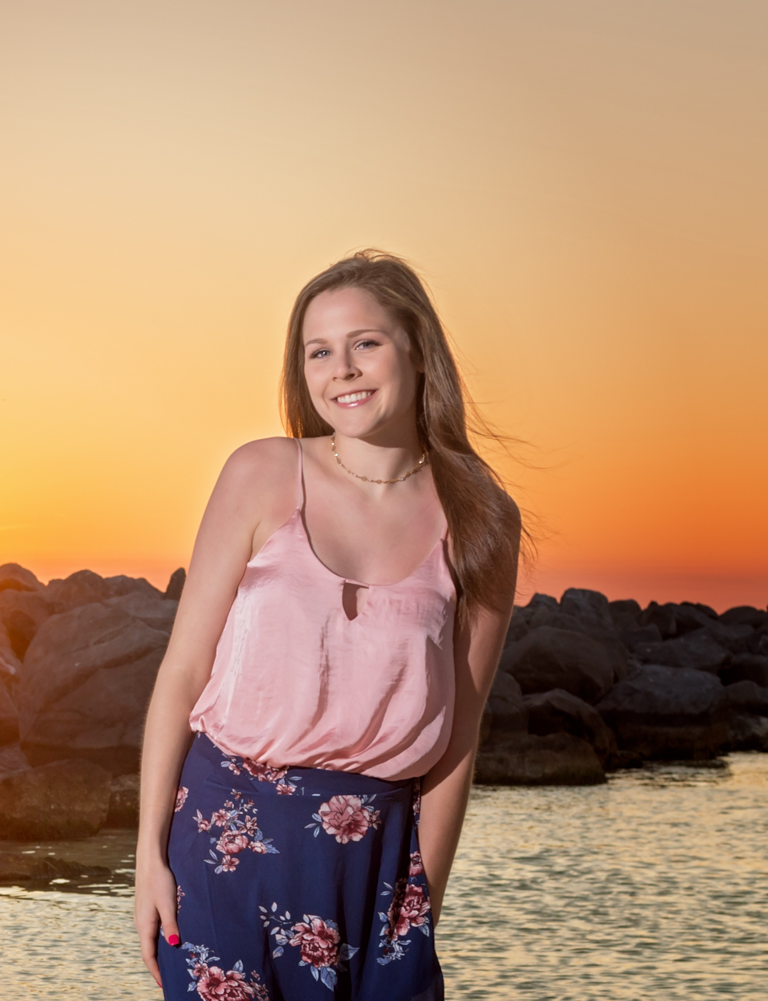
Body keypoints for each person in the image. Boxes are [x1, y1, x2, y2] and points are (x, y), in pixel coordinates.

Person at [134, 250, 525, 1000]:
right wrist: (148, 854)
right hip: (222, 845)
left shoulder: (482, 518)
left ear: (418, 351)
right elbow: (181, 672)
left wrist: (421, 903)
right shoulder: (261, 473)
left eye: (365, 343)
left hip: (378, 860)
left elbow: (459, 739)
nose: (341, 369)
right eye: (319, 351)